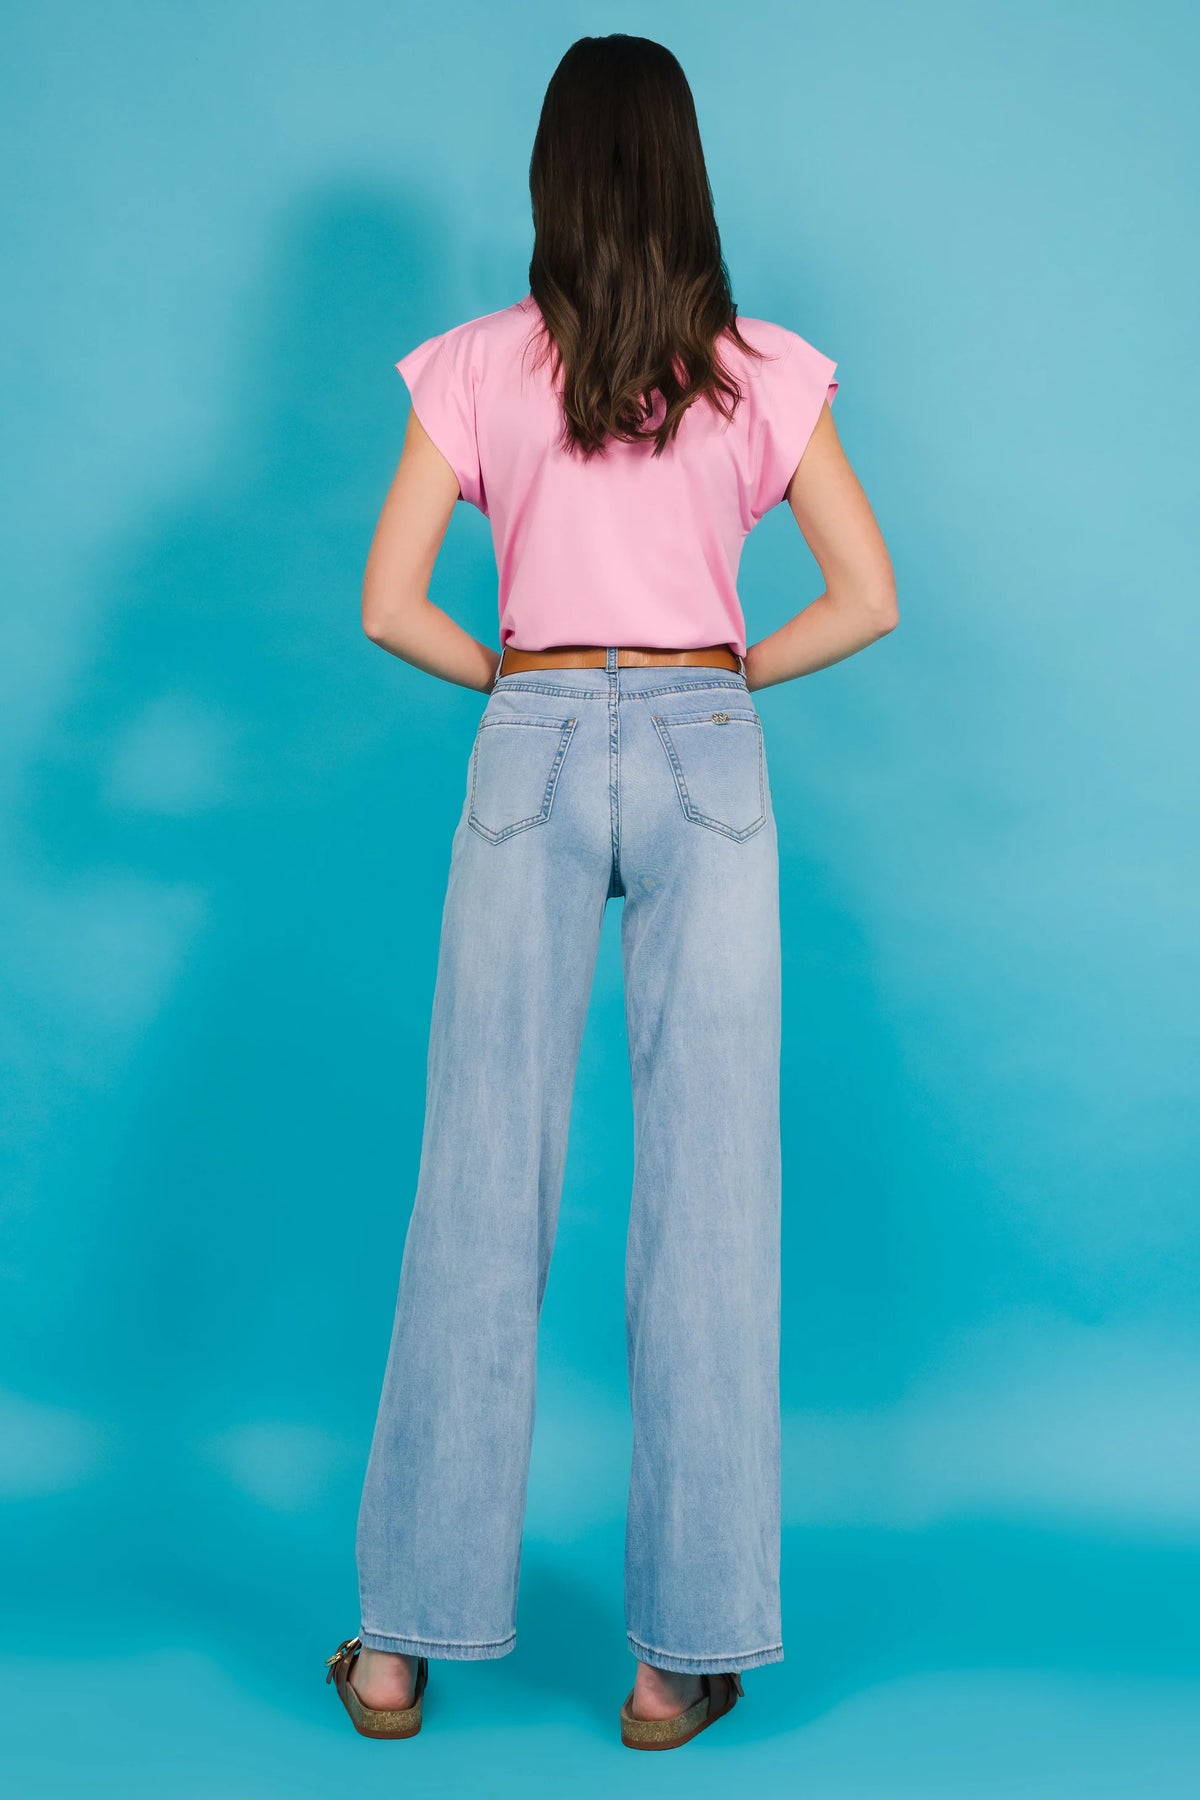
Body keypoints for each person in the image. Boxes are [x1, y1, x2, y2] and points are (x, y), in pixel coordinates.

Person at [324, 32, 897, 1752]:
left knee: (479, 1180)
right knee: (710, 1203)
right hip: (710, 739)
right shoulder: (759, 371)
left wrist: (523, 692)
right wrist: (719, 683)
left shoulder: (476, 365)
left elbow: (388, 604)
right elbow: (866, 597)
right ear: (685, 171)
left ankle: (396, 1650)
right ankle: (674, 1665)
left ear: (553, 178)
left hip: (537, 732)